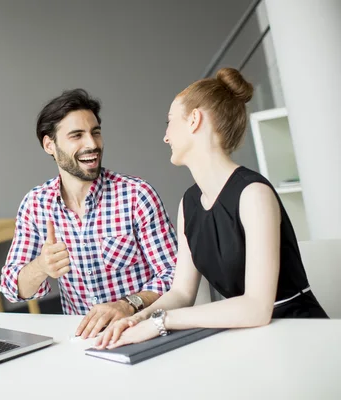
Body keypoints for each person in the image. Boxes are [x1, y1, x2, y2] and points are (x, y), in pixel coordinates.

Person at [95, 67, 329, 350]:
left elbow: (256, 307)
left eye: (169, 122)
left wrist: (162, 321)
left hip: (302, 335)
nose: (166, 137)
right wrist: (138, 318)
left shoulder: (254, 194)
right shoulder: (188, 203)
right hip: (248, 337)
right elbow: (182, 291)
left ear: (194, 120)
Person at [0, 88, 177, 339]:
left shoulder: (136, 195)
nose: (92, 144)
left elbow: (174, 275)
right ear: (49, 144)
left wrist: (127, 305)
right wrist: (41, 266)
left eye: (95, 132)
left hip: (144, 332)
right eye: (77, 135)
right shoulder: (36, 204)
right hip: (85, 342)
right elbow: (11, 288)